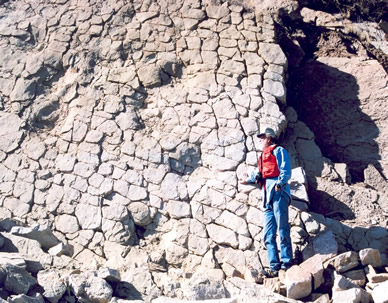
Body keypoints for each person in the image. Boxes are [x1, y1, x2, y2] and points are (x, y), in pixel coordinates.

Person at [240, 127, 293, 278]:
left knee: (282, 229)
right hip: (267, 197)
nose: (260, 140)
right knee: (268, 234)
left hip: (277, 193)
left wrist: (280, 184)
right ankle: (274, 267)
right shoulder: (263, 156)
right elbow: (258, 174)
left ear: (269, 138)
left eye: (262, 137)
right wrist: (247, 178)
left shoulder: (279, 151)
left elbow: (286, 170)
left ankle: (287, 264)